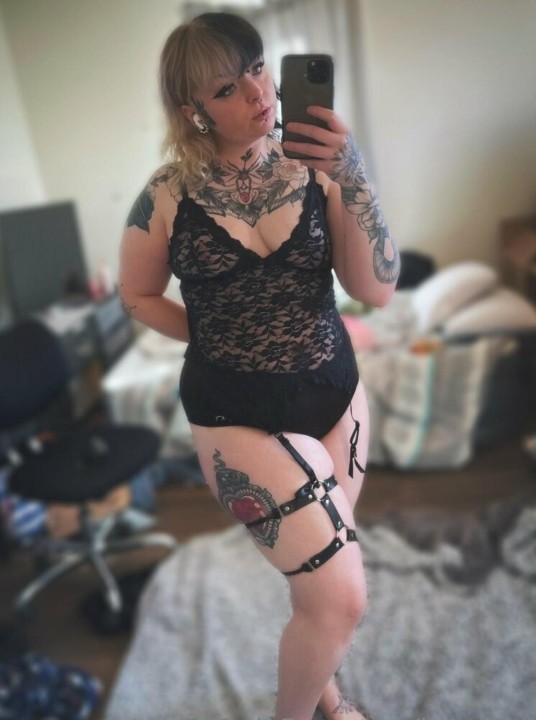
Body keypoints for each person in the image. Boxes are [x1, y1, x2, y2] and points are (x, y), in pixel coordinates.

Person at [119, 11, 400, 720]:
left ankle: (329, 698)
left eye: (256, 67)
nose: (258, 92)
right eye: (226, 87)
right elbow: (136, 295)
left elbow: (375, 290)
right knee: (343, 595)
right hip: (233, 412)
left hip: (334, 391)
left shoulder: (322, 171)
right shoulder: (166, 195)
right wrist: (215, 333)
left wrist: (353, 174)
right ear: (194, 109)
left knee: (320, 577)